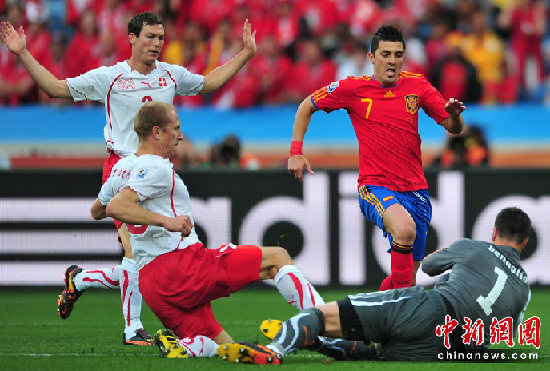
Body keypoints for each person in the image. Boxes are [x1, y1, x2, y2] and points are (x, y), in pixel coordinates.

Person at [0, 11, 257, 345]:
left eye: (161, 38)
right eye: (150, 36)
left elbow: (209, 83)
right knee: (136, 253)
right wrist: (22, 53)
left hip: (159, 171)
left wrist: (246, 53)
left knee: (153, 259)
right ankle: (132, 327)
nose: (156, 44)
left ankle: (82, 279)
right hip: (123, 169)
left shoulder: (170, 75)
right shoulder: (109, 77)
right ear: (132, 38)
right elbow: (55, 88)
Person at [101, 102, 325, 360]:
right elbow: (118, 205)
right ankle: (327, 324)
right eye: (176, 129)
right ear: (156, 132)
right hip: (180, 267)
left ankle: (185, 347)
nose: (181, 136)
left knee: (223, 347)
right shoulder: (156, 167)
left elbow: (99, 209)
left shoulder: (121, 168)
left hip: (152, 285)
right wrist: (166, 221)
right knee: (277, 257)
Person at [219, 206, 532, 363]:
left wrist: (451, 264)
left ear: (494, 232)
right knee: (378, 353)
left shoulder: (475, 246)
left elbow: (430, 267)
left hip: (432, 309)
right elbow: (503, 330)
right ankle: (321, 342)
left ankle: (274, 349)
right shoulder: (524, 289)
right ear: (526, 242)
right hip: (452, 346)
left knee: (320, 314)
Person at [287, 24, 465, 291]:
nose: (392, 60)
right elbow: (306, 106)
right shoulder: (352, 88)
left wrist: (454, 115)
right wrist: (296, 152)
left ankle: (372, 316)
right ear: (372, 58)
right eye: (385, 54)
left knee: (405, 278)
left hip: (416, 190)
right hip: (375, 185)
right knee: (404, 231)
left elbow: (453, 128)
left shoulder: (418, 85)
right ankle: (403, 314)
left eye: (397, 54)